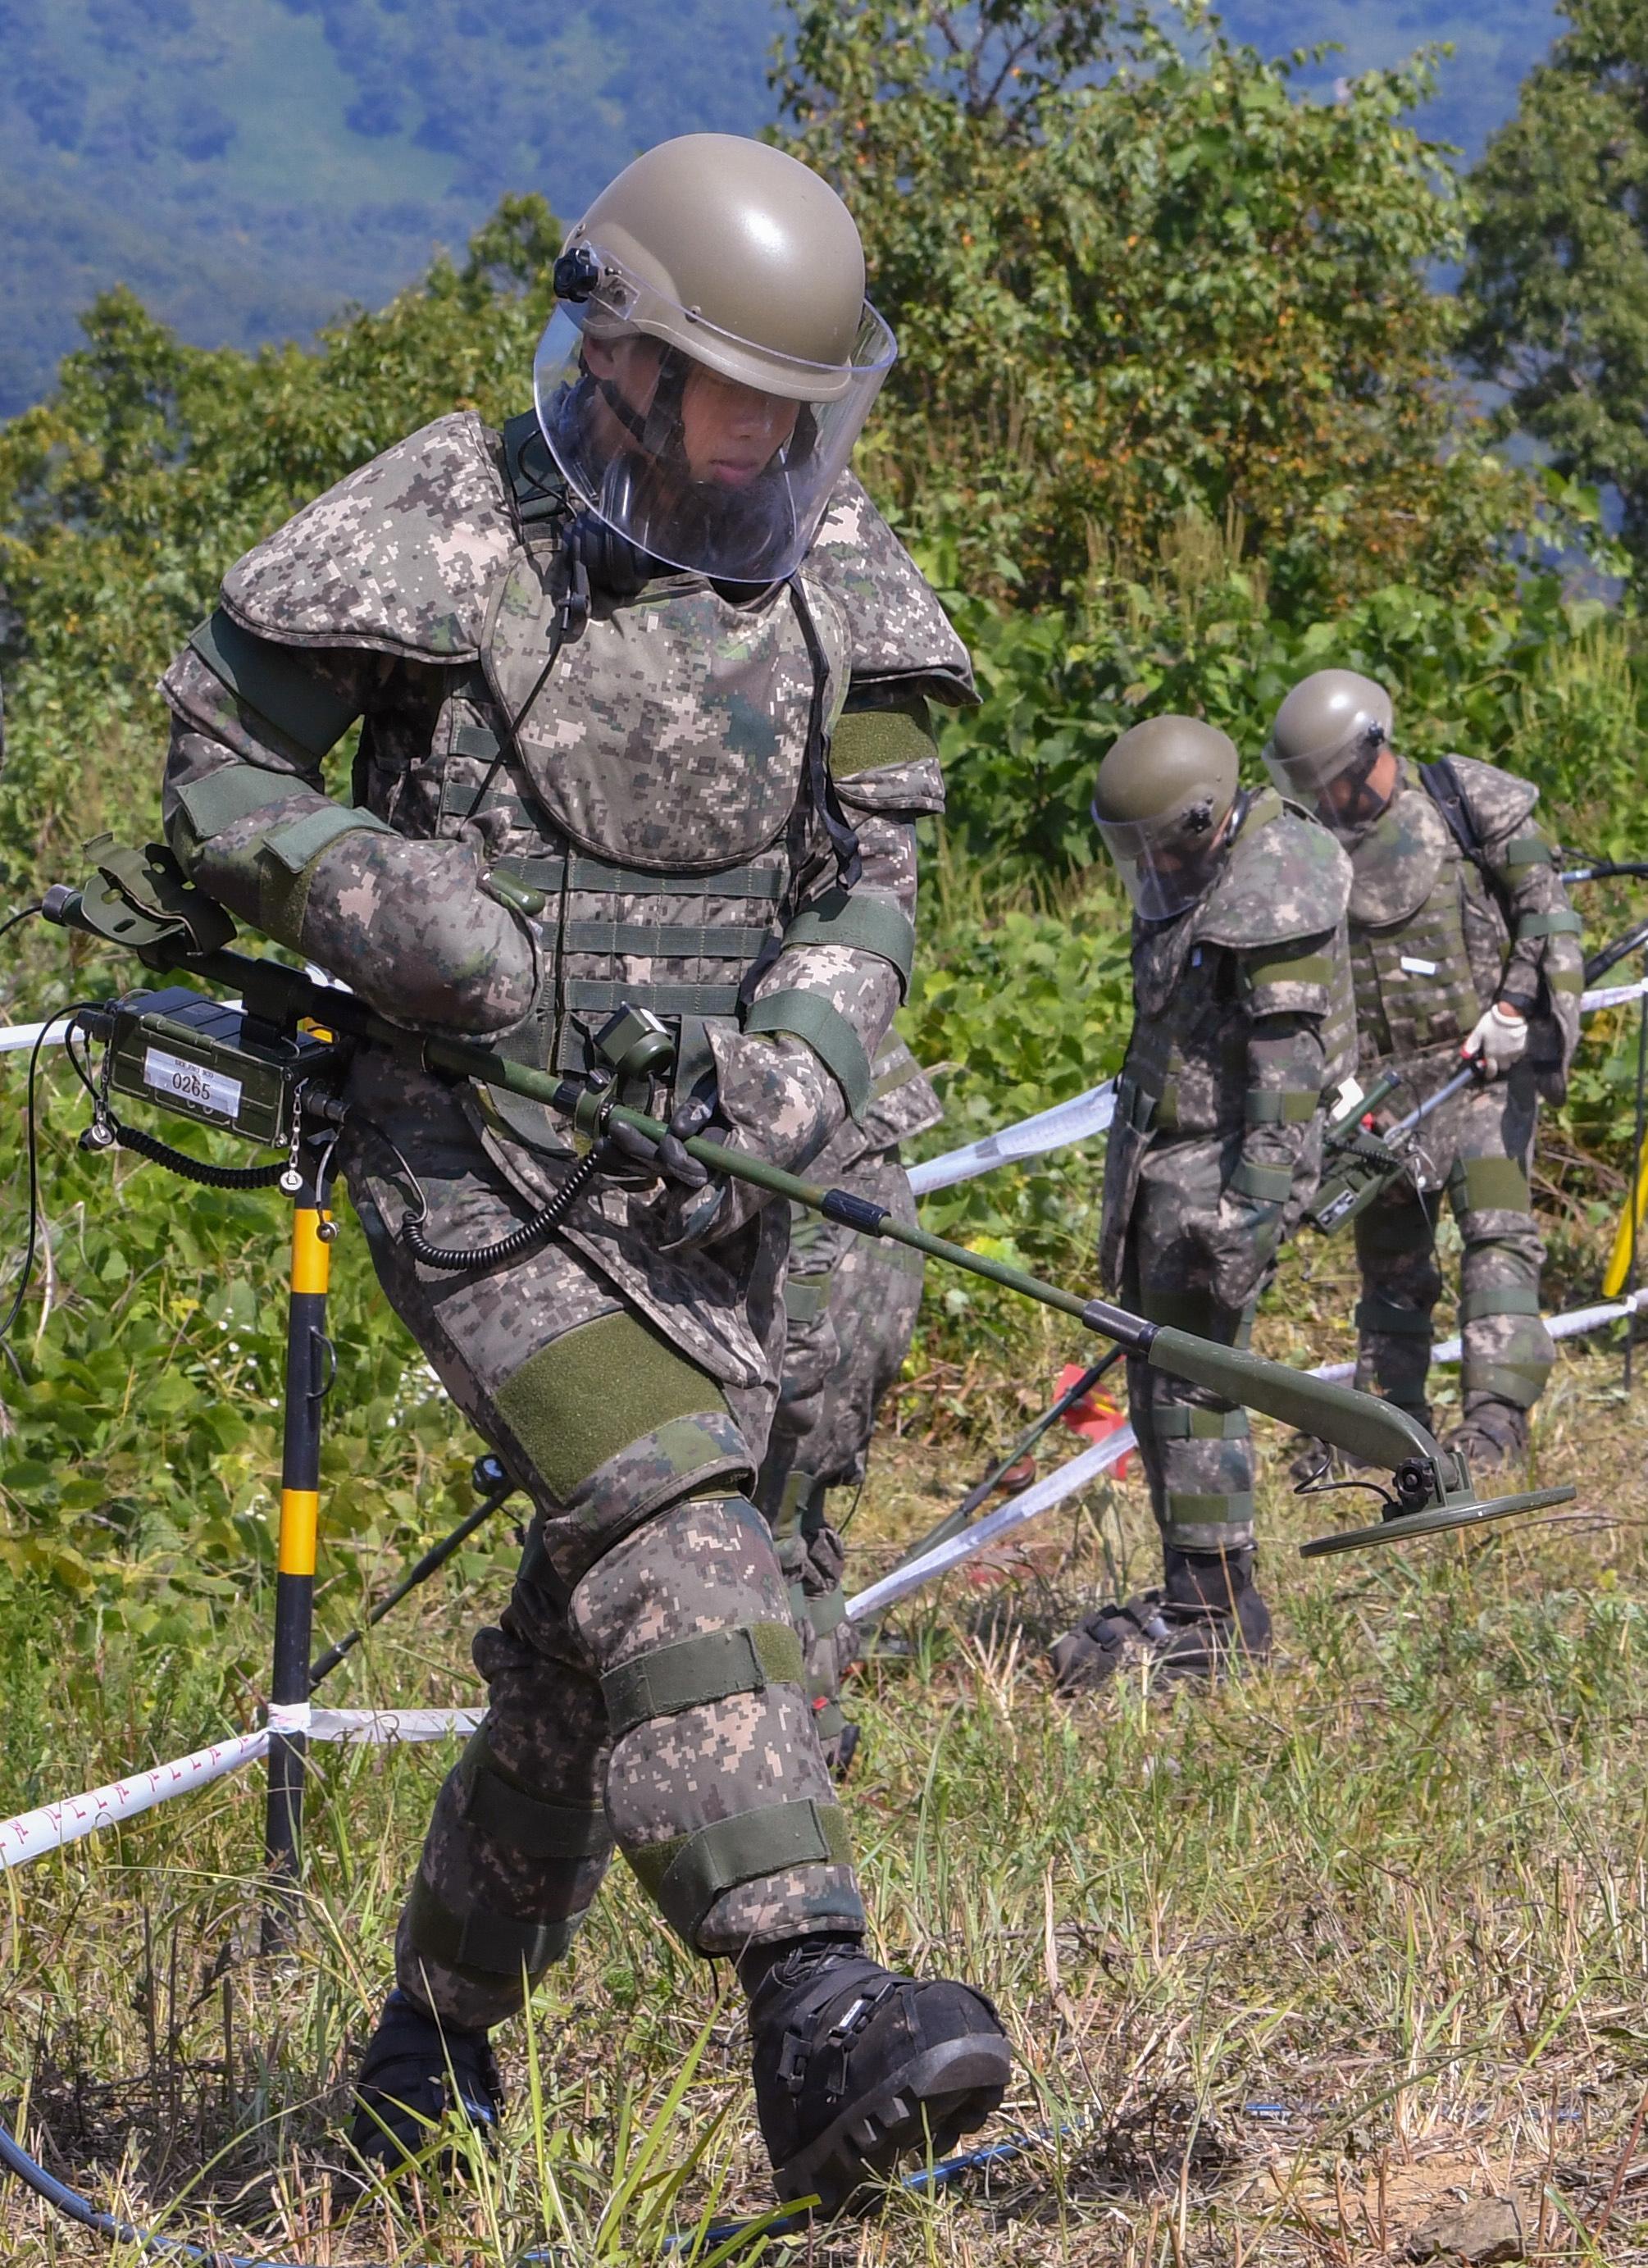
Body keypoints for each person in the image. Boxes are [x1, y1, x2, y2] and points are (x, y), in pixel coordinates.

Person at [154, 131, 1010, 2213]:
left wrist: (797, 1072)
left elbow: (876, 874)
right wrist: (381, 898)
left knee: (599, 1631)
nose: (772, 447)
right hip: (476, 1169)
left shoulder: (831, 567)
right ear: (623, 361)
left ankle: (422, 2066)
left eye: (803, 417)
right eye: (740, 400)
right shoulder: (449, 528)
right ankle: (816, 2008)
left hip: (744, 1182)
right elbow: (213, 761)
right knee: (667, 1521)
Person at [1049, 717, 1354, 1692]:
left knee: (1192, 1398)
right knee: (1160, 1392)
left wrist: (1248, 1220)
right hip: (1163, 1162)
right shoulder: (1202, 869)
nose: (1150, 870)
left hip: (1213, 1180)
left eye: (1160, 848)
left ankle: (1217, 1616)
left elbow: (1285, 1087)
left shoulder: (1273, 891)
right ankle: (1199, 1592)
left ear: (1206, 819)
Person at [1263, 669, 1582, 1474]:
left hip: (1480, 1063)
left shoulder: (1466, 801)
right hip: (1377, 1091)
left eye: (1338, 783)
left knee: (1498, 1237)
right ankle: (1391, 1430)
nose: (1330, 802)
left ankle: (1495, 1423)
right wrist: (1329, 1080)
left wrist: (1514, 1009)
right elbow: (1303, 965)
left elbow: (1545, 912)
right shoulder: (1309, 848)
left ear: (1375, 751)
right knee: (1392, 1263)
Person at [755, 1032, 940, 1774]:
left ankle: (795, 1740)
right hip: (790, 1179)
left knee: (775, 1497)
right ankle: (803, 1727)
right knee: (776, 1505)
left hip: (820, 1191)